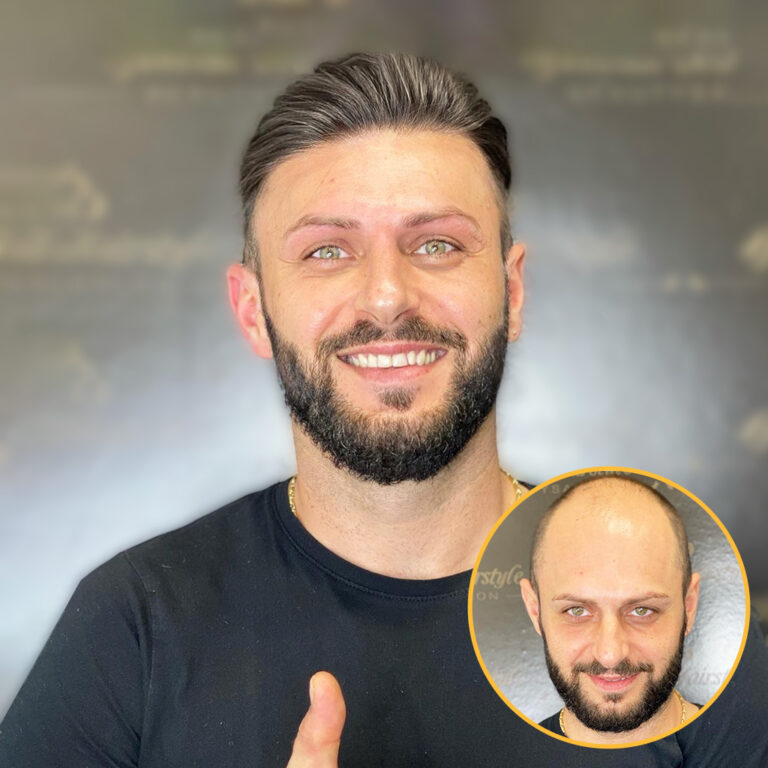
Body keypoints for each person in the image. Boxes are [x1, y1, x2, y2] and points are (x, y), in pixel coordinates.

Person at [1, 52, 767, 768]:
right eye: (327, 252)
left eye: (436, 245)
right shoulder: (135, 624)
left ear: (512, 291)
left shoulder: (692, 634)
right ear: (252, 309)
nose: (387, 296)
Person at [519, 475, 703, 744]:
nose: (610, 655)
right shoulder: (500, 758)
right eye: (576, 611)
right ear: (535, 611)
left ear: (689, 607)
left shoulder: (752, 750)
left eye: (642, 611)